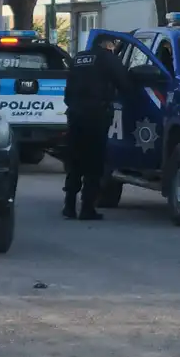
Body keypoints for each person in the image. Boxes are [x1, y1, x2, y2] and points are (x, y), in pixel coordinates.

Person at [62, 36, 131, 220]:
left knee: (75, 160)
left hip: (75, 115)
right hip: (96, 116)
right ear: (107, 44)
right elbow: (125, 84)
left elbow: (68, 89)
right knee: (94, 162)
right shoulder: (108, 59)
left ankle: (69, 205)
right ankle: (87, 208)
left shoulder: (78, 58)